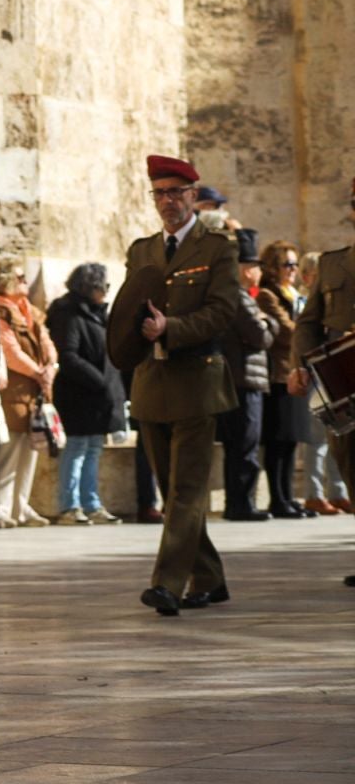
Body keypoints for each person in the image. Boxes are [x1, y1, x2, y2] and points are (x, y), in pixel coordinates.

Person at [111, 155, 240, 616]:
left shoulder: (217, 248)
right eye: (159, 193)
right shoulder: (142, 250)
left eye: (176, 192)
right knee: (172, 490)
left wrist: (172, 327)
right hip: (151, 384)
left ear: (193, 196)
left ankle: (167, 583)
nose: (168, 201)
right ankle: (210, 576)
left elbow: (224, 311)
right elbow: (128, 310)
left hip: (196, 382)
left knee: (186, 490)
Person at [296, 178, 355, 586]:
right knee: (349, 458)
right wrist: (301, 364)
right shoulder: (333, 263)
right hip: (343, 382)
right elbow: (308, 321)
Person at [46, 263, 124, 524]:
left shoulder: (96, 314)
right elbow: (68, 355)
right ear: (91, 288)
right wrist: (99, 380)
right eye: (104, 287)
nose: (106, 292)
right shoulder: (69, 313)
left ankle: (91, 504)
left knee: (93, 449)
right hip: (79, 395)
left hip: (98, 397)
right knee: (78, 448)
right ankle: (69, 506)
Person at [216, 233, 276, 521]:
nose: (259, 272)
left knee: (240, 446)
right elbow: (260, 335)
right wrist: (271, 323)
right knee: (244, 446)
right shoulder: (239, 297)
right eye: (255, 266)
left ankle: (239, 502)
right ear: (243, 268)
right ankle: (242, 504)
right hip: (245, 381)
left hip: (240, 379)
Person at [0, 258, 57, 527]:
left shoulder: (29, 311)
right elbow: (10, 351)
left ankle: (21, 506)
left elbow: (47, 343)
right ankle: (1, 508)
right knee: (9, 452)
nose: (25, 282)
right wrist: (38, 372)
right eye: (20, 278)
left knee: (30, 450)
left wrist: (51, 366)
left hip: (35, 390)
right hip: (15, 391)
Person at [255, 239, 310, 519]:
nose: (292, 269)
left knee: (292, 440)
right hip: (279, 373)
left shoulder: (295, 294)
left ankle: (289, 496)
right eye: (286, 264)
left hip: (297, 370)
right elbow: (289, 331)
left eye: (294, 264)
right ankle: (277, 498)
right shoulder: (268, 295)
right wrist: (307, 330)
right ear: (273, 267)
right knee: (278, 440)